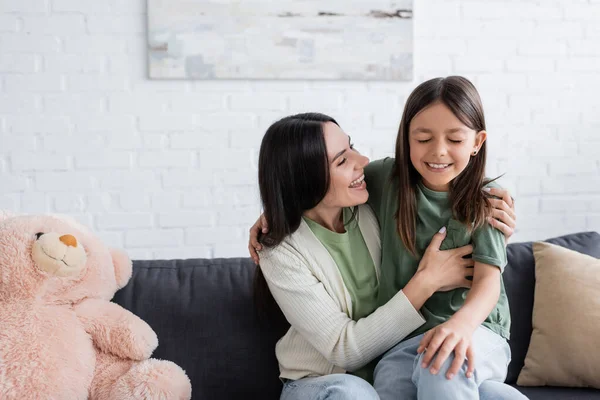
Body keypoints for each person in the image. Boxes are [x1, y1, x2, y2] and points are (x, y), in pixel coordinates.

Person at [251, 108, 517, 398]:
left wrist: (496, 215)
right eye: (342, 160)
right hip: (324, 380)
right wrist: (427, 281)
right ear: (304, 179)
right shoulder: (280, 253)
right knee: (354, 395)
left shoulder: (370, 202)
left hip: (391, 368)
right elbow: (344, 350)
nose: (362, 161)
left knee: (493, 393)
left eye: (350, 146)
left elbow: (443, 189)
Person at [365, 76, 526, 399]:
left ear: (477, 142)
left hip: (478, 331)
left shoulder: (489, 200)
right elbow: (326, 187)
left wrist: (460, 326)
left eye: (455, 139)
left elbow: (487, 283)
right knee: (391, 384)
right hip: (406, 341)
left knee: (442, 363)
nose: (438, 152)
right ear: (407, 138)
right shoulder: (386, 180)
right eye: (423, 138)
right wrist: (273, 217)